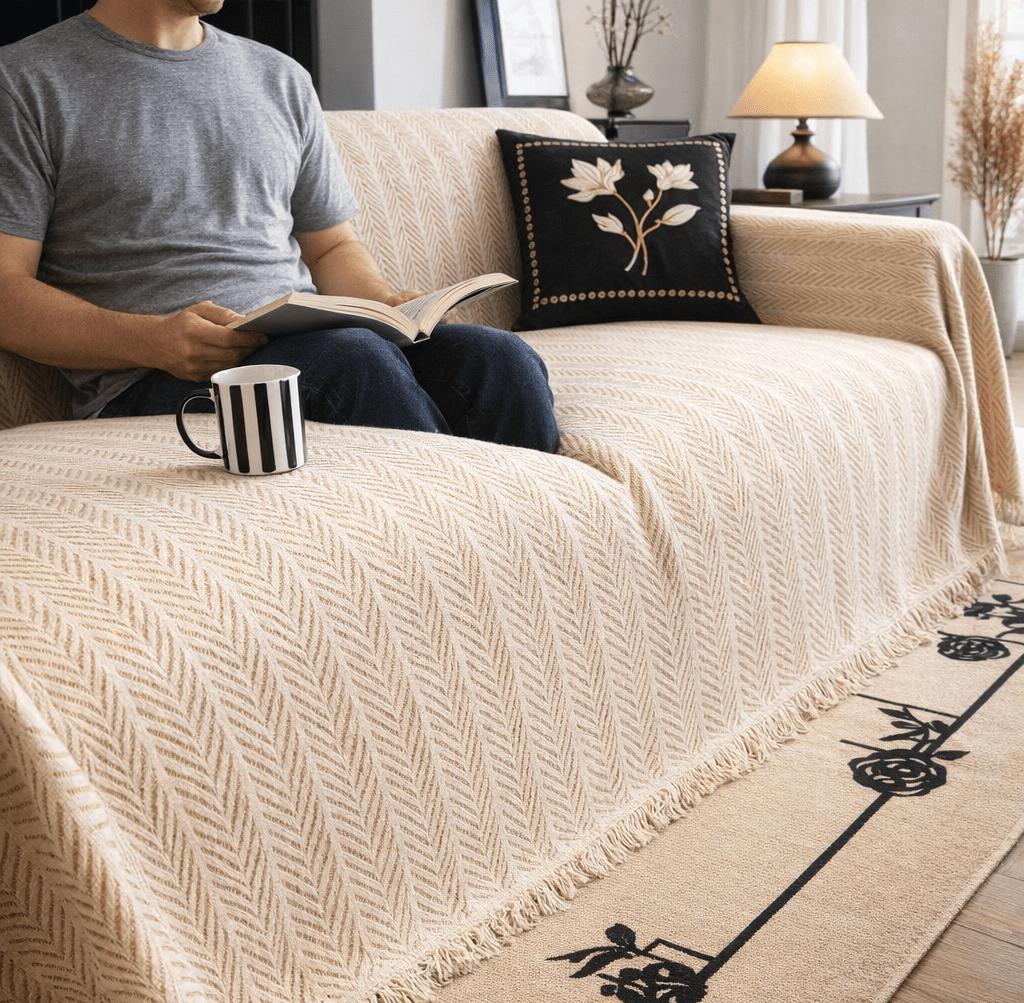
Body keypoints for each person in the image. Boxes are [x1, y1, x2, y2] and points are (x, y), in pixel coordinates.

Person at [0, 0, 559, 452]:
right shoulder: (24, 82)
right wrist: (156, 341)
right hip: (152, 377)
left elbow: (332, 244)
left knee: (498, 360)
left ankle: (540, 564)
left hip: (311, 340)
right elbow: (6, 294)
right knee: (351, 361)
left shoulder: (280, 77)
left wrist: (388, 306)